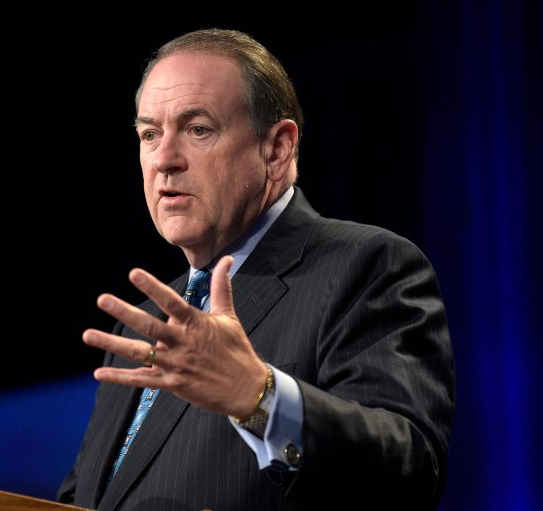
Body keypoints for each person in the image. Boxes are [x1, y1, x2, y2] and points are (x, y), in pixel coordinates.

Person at [58, 29, 455, 510]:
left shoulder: (364, 266)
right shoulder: (143, 322)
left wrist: (258, 397)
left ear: (277, 148)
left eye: (198, 129)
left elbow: (408, 473)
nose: (163, 159)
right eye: (149, 134)